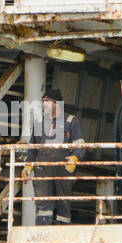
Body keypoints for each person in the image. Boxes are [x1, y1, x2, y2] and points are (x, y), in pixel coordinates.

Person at [22, 88, 84, 225]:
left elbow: (79, 144)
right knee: (43, 203)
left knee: (64, 202)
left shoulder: (71, 121)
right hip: (42, 169)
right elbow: (33, 147)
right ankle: (42, 235)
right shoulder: (39, 123)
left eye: (48, 101)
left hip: (63, 168)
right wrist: (28, 164)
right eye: (43, 101)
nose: (44, 104)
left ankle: (62, 235)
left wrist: (75, 158)